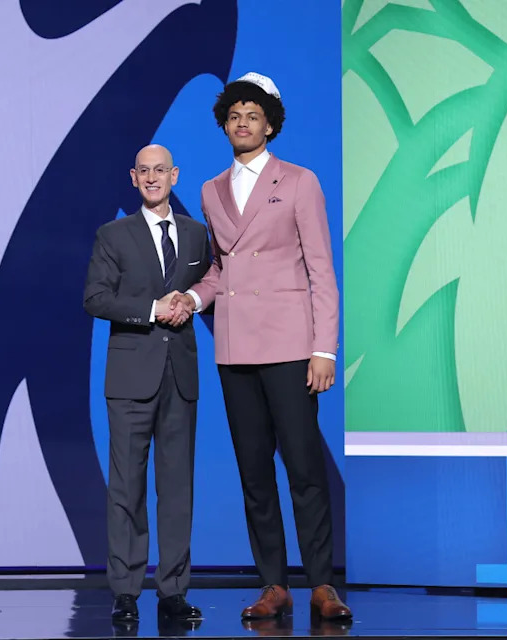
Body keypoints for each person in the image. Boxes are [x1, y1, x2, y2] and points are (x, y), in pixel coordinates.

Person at [171, 72, 351, 621]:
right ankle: (274, 584)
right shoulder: (210, 190)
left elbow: (321, 270)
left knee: (303, 468)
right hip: (235, 348)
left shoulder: (298, 181)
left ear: (270, 125)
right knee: (254, 472)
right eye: (234, 116)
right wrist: (192, 299)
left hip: (291, 345)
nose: (243, 123)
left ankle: (322, 584)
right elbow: (220, 269)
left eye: (253, 115)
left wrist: (325, 349)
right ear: (224, 126)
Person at [83, 144, 208, 625]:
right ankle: (126, 591)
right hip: (130, 377)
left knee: (177, 489)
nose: (152, 178)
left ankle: (173, 591)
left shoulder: (196, 234)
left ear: (174, 175)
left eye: (160, 170)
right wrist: (152, 309)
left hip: (180, 376)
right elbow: (95, 298)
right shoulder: (113, 234)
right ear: (133, 178)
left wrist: (191, 300)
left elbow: (209, 288)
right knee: (126, 489)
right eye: (144, 171)